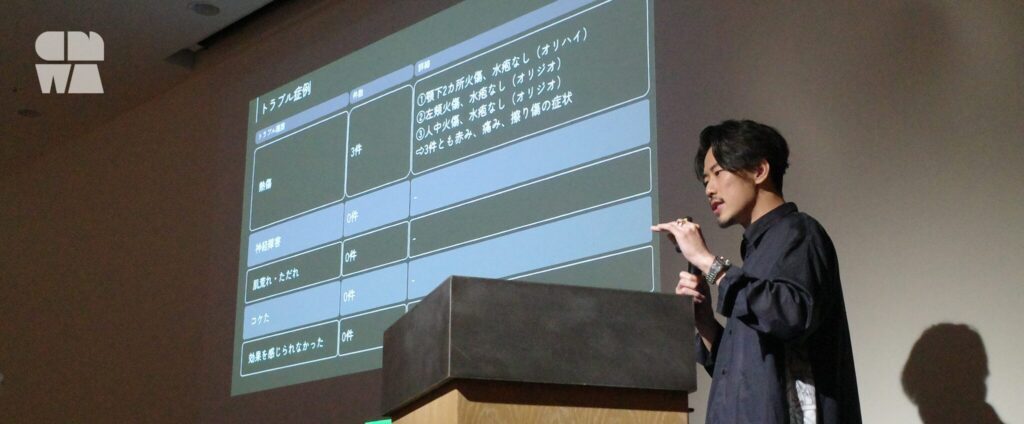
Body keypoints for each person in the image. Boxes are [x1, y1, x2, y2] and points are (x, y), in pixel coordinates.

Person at [652, 120, 861, 424]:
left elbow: (792, 316)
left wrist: (708, 262)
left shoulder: (800, 233)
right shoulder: (754, 256)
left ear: (760, 171)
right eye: (705, 180)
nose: (709, 189)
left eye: (718, 173)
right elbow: (748, 374)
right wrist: (706, 322)